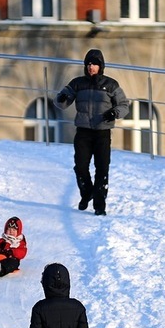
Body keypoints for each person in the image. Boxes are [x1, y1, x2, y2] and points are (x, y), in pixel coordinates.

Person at [55, 48, 129, 216]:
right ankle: (86, 192)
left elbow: (124, 105)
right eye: (88, 64)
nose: (91, 67)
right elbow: (62, 102)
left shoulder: (111, 84)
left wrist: (113, 113)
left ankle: (99, 205)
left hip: (102, 133)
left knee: (102, 168)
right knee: (80, 166)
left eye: (94, 64)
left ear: (100, 66)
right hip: (83, 132)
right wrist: (62, 98)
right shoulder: (77, 83)